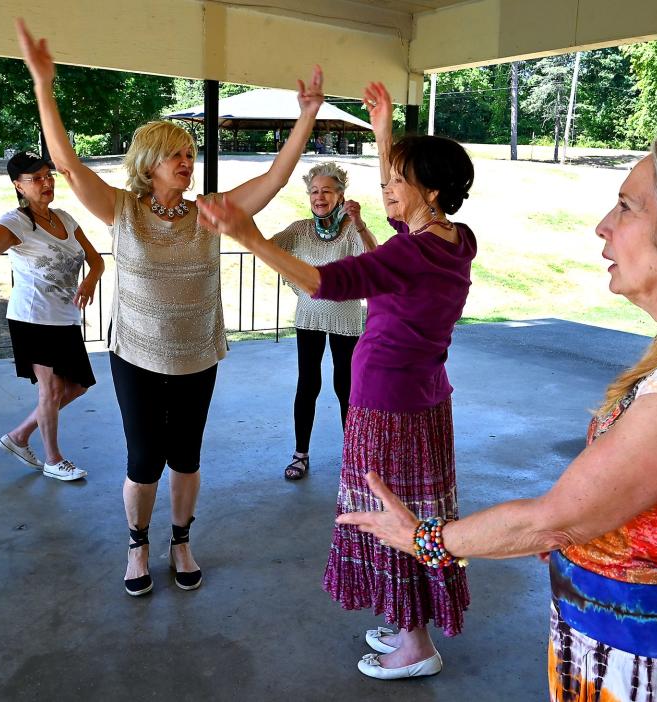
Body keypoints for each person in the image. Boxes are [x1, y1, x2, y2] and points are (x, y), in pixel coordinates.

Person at [338, 125, 657, 700]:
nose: (603, 225)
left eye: (626, 206)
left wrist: (423, 537)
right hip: (636, 654)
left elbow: (555, 519)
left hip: (643, 673)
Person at [16, 19, 324, 596]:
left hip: (197, 355)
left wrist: (305, 116)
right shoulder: (122, 210)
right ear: (149, 163)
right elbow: (68, 165)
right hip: (135, 355)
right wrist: (42, 84)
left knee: (186, 455)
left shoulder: (212, 211)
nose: (187, 161)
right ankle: (139, 545)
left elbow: (274, 180)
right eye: (175, 155)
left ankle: (181, 539)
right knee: (144, 457)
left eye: (189, 153)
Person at [199, 80, 476, 679]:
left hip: (388, 405)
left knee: (392, 518)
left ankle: (416, 644)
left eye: (395, 182)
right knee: (415, 511)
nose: (385, 191)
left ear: (426, 191)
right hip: (424, 398)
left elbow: (328, 283)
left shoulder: (411, 254)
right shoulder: (452, 240)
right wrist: (382, 134)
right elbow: (401, 211)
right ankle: (409, 622)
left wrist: (247, 237)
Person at [0, 151, 103, 482]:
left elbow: (96, 260)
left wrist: (90, 279)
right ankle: (54, 459)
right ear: (18, 186)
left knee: (79, 385)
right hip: (32, 318)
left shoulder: (65, 219)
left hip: (64, 319)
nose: (46, 182)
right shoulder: (15, 222)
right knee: (50, 390)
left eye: (48, 176)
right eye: (36, 179)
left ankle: (19, 436)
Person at [271, 162, 377, 480]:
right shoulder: (300, 229)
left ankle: (353, 457)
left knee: (346, 386)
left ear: (340, 195)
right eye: (314, 191)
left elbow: (375, 258)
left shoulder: (350, 230)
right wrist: (295, 281)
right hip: (309, 317)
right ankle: (300, 454)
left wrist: (358, 222)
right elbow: (268, 249)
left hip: (346, 318)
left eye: (326, 191)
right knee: (308, 384)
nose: (319, 197)